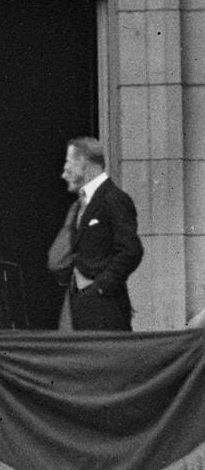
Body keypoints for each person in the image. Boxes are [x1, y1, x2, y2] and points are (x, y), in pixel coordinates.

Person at [52, 136, 141, 331]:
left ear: (84, 163)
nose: (64, 171)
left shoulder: (114, 199)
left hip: (105, 308)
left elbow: (131, 250)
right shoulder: (80, 205)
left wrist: (101, 288)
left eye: (68, 161)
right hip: (81, 307)